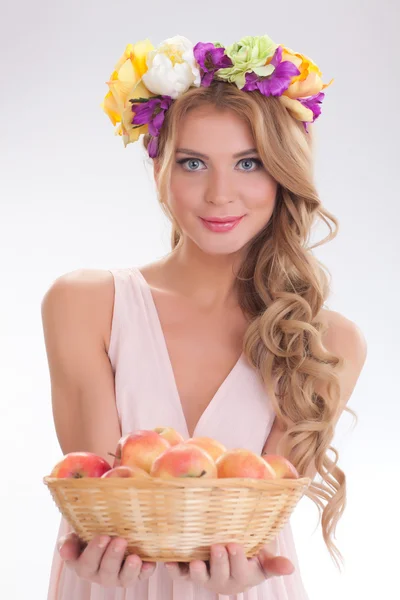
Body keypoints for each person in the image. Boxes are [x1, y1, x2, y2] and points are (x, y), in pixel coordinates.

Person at [41, 34, 368, 599]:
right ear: (158, 170)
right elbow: (107, 504)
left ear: (283, 174)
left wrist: (243, 569)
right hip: (113, 587)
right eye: (193, 163)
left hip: (244, 589)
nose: (221, 194)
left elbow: (260, 523)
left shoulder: (325, 340)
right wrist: (100, 551)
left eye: (250, 163)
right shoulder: (86, 305)